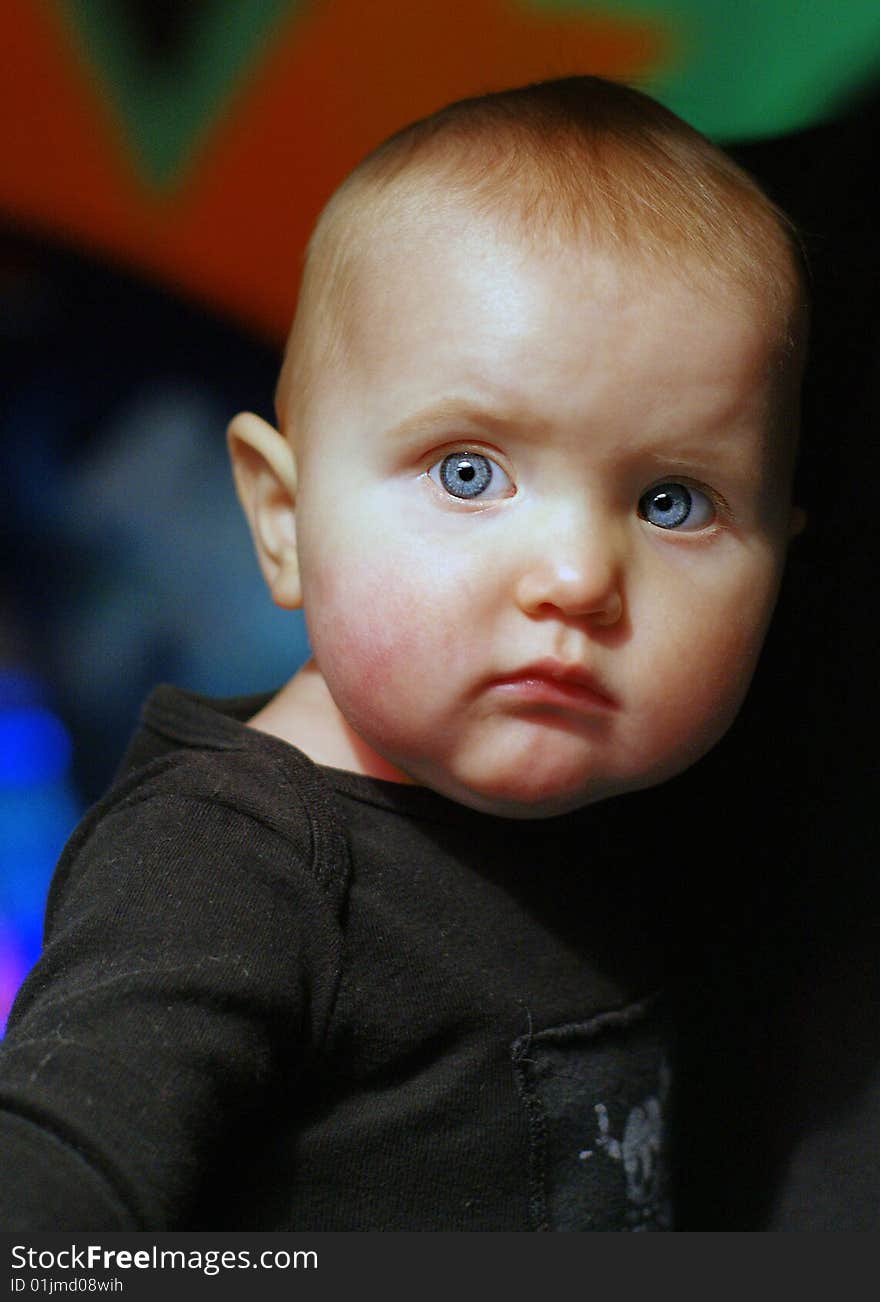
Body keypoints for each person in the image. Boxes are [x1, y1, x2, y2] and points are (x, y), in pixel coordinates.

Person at [0, 76, 808, 1231]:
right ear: (283, 519)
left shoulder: (641, 799)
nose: (577, 577)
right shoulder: (227, 867)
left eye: (674, 503)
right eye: (468, 473)